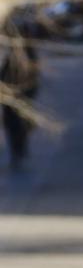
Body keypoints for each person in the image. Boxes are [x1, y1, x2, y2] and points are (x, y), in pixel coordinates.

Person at [1, 15, 38, 170]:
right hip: (13, 80)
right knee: (12, 119)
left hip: (19, 81)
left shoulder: (20, 36)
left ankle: (19, 152)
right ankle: (18, 152)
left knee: (15, 119)